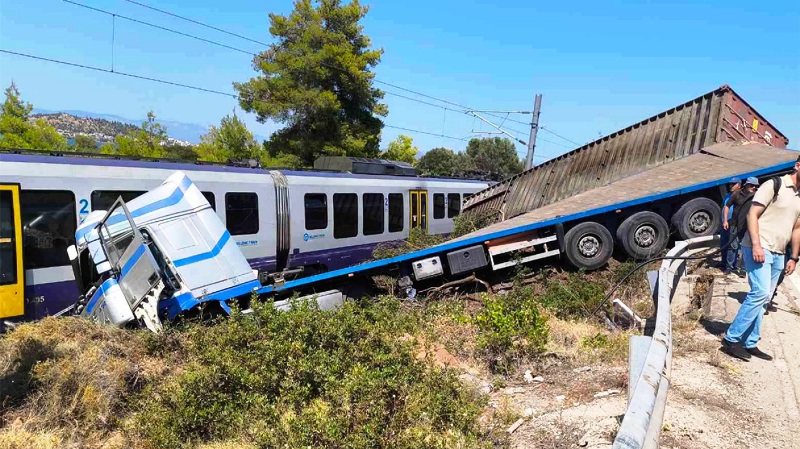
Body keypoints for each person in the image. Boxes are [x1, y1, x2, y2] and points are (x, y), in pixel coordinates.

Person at [722, 162, 800, 361]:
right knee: (760, 292)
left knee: (765, 298)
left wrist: (794, 257)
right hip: (759, 246)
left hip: (779, 252)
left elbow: (797, 228)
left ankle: (750, 342)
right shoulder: (774, 185)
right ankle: (732, 338)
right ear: (798, 166)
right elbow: (752, 214)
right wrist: (756, 244)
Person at [722, 178, 757, 275]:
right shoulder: (737, 194)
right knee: (732, 247)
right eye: (752, 185)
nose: (754, 188)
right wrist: (725, 220)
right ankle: (729, 267)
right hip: (735, 225)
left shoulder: (757, 195)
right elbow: (727, 206)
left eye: (756, 186)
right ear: (746, 185)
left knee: (746, 248)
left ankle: (743, 269)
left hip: (748, 226)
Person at [720, 178, 742, 271]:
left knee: (732, 246)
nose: (731, 186)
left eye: (733, 184)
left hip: (733, 224)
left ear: (739, 185)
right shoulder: (728, 195)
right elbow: (725, 207)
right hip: (724, 224)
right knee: (723, 244)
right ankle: (723, 262)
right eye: (730, 184)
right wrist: (723, 220)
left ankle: (730, 266)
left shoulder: (740, 196)